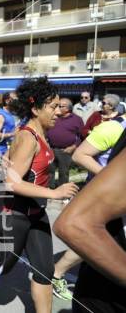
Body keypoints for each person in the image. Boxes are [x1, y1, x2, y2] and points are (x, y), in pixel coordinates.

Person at [0, 77, 78, 313]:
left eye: (59, 107)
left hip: (36, 213)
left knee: (45, 270)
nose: (58, 112)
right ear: (35, 108)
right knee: (1, 267)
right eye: (52, 107)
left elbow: (9, 169)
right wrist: (54, 192)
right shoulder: (28, 137)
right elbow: (12, 183)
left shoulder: (41, 135)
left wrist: (3, 164)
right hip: (13, 214)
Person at [51, 107, 126, 301]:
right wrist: (112, 182)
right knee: (92, 238)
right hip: (101, 198)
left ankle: (57, 273)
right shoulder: (113, 128)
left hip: (115, 201)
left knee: (99, 244)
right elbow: (79, 155)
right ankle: (57, 274)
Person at [46, 98, 83, 189]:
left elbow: (82, 136)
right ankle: (49, 189)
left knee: (63, 172)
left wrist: (73, 147)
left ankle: (62, 191)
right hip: (50, 148)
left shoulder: (77, 119)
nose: (57, 108)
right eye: (57, 105)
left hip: (65, 150)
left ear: (68, 108)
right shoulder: (53, 116)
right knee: (49, 171)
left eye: (60, 106)